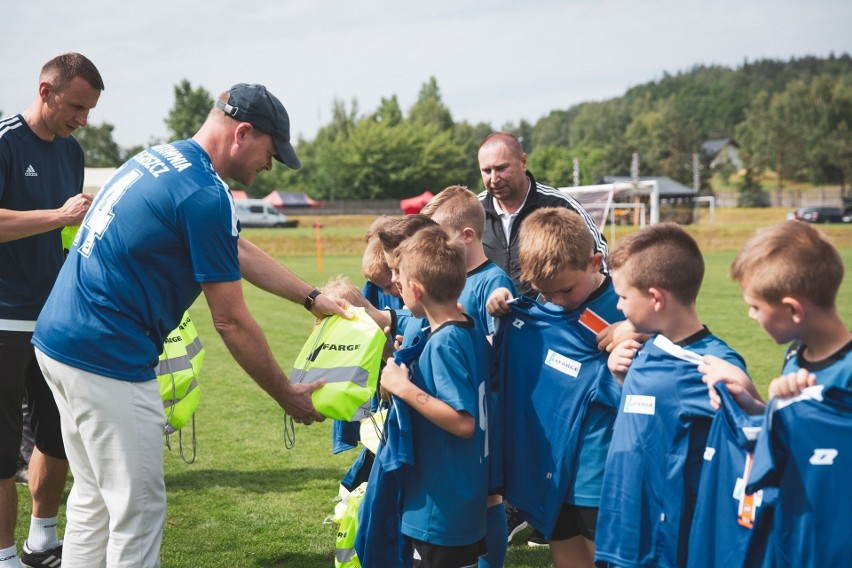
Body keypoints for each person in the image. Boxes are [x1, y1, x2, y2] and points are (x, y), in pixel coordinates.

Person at [30, 83, 348, 567]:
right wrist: (287, 394)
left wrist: (309, 296)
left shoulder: (156, 159)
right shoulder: (204, 191)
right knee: (137, 514)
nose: (269, 167)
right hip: (107, 356)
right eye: (271, 153)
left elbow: (232, 246)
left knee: (94, 501)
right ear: (243, 133)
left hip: (58, 340)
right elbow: (231, 321)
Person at [0, 52, 104, 568]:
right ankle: (2, 557)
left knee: (57, 435)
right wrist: (58, 214)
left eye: (88, 111)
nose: (82, 120)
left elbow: (59, 235)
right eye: (77, 107)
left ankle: (42, 540)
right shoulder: (3, 140)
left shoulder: (72, 151)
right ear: (46, 92)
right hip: (1, 319)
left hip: (53, 321)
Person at [596, 223, 749, 568]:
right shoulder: (648, 347)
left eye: (622, 296)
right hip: (622, 531)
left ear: (655, 298)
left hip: (666, 546)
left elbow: (744, 452)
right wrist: (622, 380)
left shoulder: (712, 365)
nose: (618, 307)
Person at [486, 208, 624, 568]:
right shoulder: (528, 315)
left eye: (565, 289)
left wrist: (638, 331)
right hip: (546, 471)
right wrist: (502, 304)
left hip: (599, 475)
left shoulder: (624, 313)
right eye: (545, 292)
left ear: (595, 262)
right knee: (567, 559)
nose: (558, 300)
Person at [379, 225, 491, 568]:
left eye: (400, 284)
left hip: (441, 506)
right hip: (461, 493)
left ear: (415, 289)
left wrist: (403, 388)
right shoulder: (466, 325)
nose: (396, 290)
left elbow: (463, 422)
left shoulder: (445, 342)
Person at [420, 185, 516, 568]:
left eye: (439, 239)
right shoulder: (448, 278)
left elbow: (498, 350)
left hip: (482, 408)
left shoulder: (492, 282)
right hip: (458, 403)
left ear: (467, 235)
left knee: (490, 495)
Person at [699, 220, 851, 405]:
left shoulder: (847, 373)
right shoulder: (796, 351)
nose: (751, 315)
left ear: (793, 309)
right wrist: (754, 404)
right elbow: (789, 432)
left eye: (756, 307)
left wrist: (802, 403)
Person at [476, 132, 608, 298]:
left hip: (552, 320)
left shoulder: (560, 205)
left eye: (501, 168)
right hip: (491, 321)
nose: (494, 178)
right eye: (487, 171)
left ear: (523, 162)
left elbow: (602, 262)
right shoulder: (473, 212)